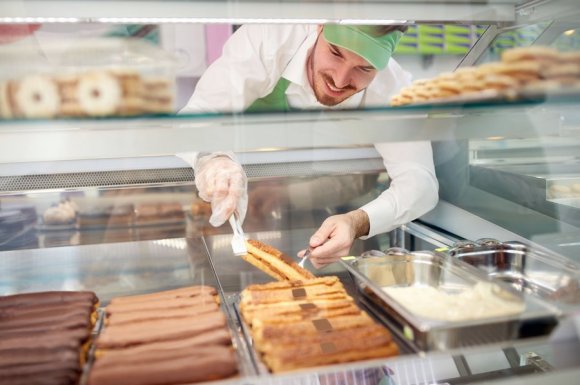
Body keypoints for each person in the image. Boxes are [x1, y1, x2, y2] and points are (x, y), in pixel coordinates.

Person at [183, 24, 439, 268]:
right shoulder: (269, 40)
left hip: (320, 213)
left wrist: (356, 222)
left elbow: (420, 184)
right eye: (336, 53)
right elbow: (199, 113)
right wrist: (215, 160)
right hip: (227, 200)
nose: (340, 81)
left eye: (365, 68)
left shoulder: (392, 88)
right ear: (318, 27)